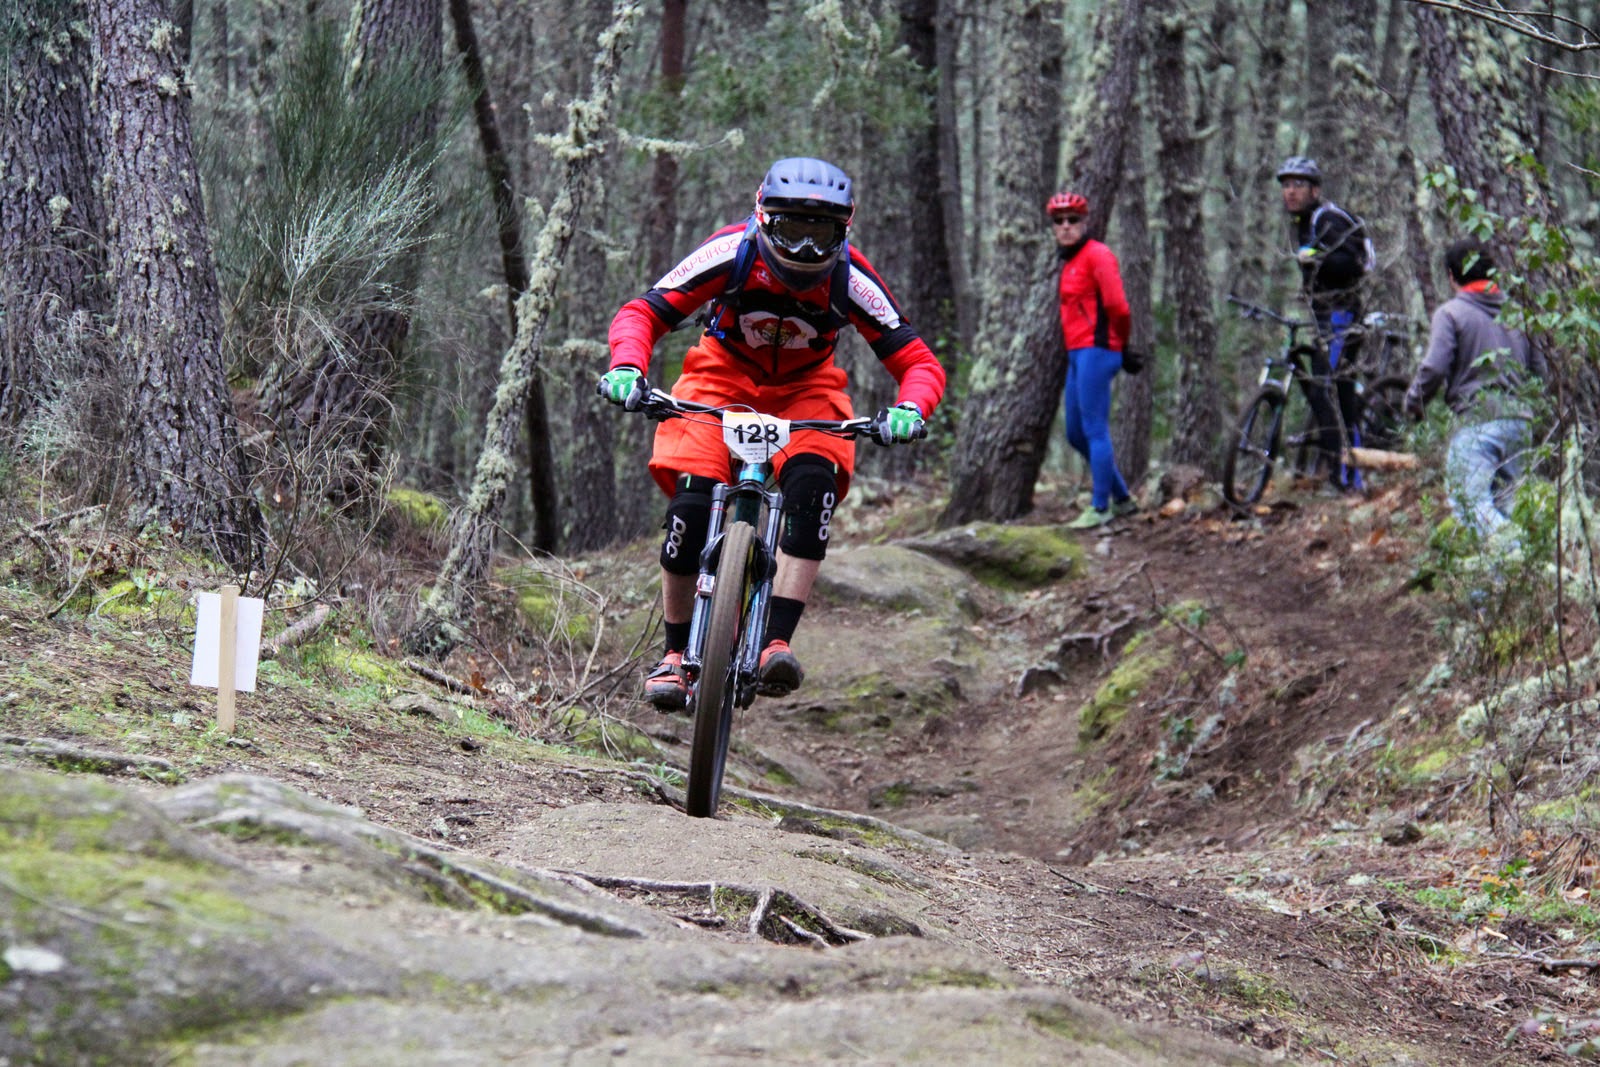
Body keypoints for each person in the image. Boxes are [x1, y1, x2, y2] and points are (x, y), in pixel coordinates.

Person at [598, 157, 947, 710]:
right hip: (720, 378)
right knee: (689, 509)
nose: (806, 250)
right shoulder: (730, 252)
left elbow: (918, 361)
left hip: (809, 390)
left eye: (821, 235)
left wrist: (910, 406)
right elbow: (644, 312)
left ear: (845, 231)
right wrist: (627, 367)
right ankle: (673, 654)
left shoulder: (850, 279)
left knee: (813, 487)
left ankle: (774, 641)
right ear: (762, 218)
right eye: (791, 230)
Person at [1403, 237, 1546, 546]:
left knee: (1471, 508)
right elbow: (1541, 372)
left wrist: (1414, 403)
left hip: (1477, 422)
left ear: (1452, 276)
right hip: (1521, 424)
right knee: (1504, 508)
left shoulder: (1451, 313)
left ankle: (1514, 548)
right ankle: (1496, 591)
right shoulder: (1519, 313)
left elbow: (1433, 368)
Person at [1276, 155, 1376, 491]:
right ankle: (1346, 471)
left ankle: (1347, 473)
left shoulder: (1328, 219)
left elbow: (1351, 262)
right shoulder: (1304, 222)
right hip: (1324, 316)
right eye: (1286, 185)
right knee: (1336, 391)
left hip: (1342, 317)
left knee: (1327, 391)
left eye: (1298, 185)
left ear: (1315, 190)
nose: (1290, 192)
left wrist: (1318, 257)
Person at [1045, 190, 1136, 529]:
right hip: (1077, 353)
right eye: (1059, 221)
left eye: (1073, 220)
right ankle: (1123, 498)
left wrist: (1122, 346)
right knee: (1074, 433)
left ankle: (1101, 508)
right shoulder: (1069, 261)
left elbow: (1118, 306)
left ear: (1085, 223)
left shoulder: (1098, 255)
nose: (1066, 226)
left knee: (1095, 428)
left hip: (1098, 351)